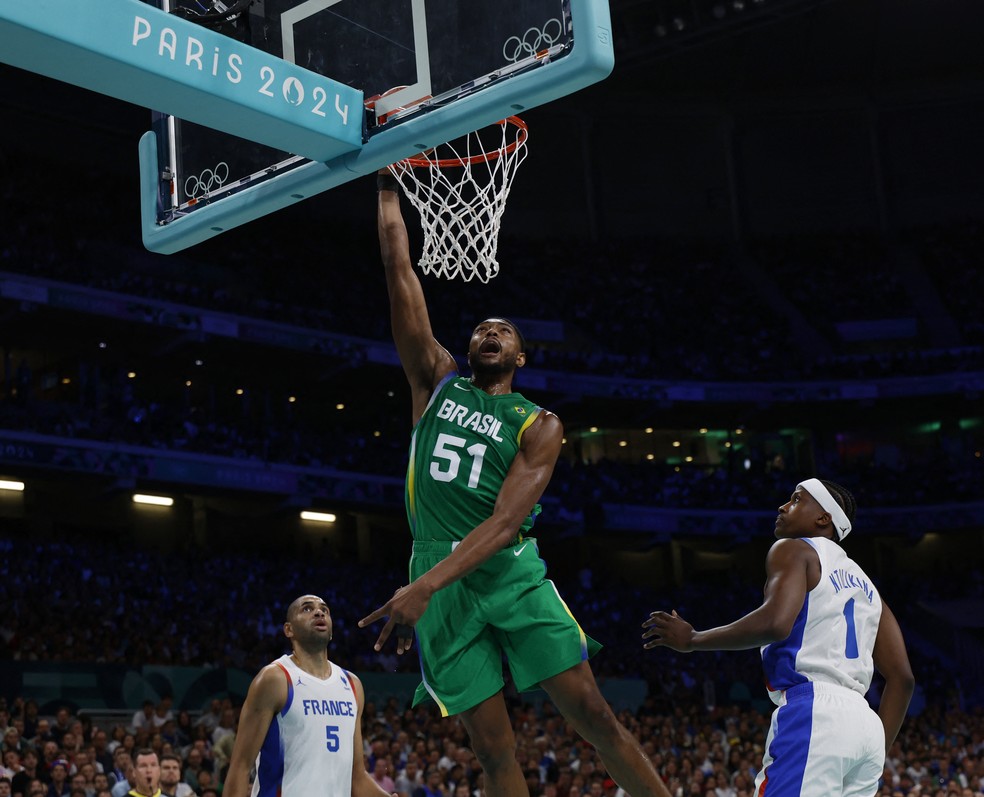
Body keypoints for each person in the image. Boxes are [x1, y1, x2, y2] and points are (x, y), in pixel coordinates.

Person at [360, 174, 672, 797]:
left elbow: (504, 525)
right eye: (481, 329)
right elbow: (400, 275)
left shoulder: (540, 423)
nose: (490, 334)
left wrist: (422, 587)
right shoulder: (435, 381)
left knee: (594, 714)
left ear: (521, 357)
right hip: (436, 567)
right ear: (467, 346)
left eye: (504, 331)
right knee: (493, 749)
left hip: (504, 569)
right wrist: (389, 191)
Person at [642, 478, 916, 797]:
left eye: (797, 499)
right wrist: (874, 748)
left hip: (816, 710)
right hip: (866, 726)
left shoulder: (795, 549)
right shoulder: (869, 588)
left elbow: (775, 623)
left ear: (823, 518)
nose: (783, 506)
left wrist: (694, 639)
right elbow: (903, 679)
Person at [224, 594, 395, 797]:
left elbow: (356, 777)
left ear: (331, 631)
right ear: (289, 629)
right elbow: (240, 767)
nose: (318, 612)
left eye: (325, 609)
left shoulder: (352, 685)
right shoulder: (275, 679)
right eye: (306, 609)